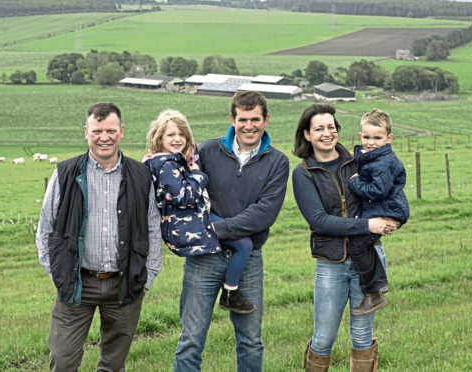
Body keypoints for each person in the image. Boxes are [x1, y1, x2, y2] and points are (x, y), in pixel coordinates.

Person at [36, 102, 162, 372]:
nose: (104, 137)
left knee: (113, 364)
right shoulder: (65, 173)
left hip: (125, 283)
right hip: (76, 283)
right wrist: (59, 274)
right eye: (97, 131)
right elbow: (45, 229)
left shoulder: (141, 175)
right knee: (62, 360)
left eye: (111, 130)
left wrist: (148, 276)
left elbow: (153, 226)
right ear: (86, 132)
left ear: (122, 131)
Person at [173, 91, 290, 371]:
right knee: (191, 339)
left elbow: (264, 213)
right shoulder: (208, 151)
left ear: (266, 120)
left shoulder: (277, 161)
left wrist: (215, 228)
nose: (249, 126)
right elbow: (190, 195)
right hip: (204, 257)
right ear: (232, 119)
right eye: (243, 119)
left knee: (251, 340)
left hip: (248, 261)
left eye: (255, 119)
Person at [292, 103, 398, 372]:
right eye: (319, 128)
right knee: (324, 337)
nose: (326, 133)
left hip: (369, 257)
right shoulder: (304, 173)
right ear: (307, 134)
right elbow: (320, 221)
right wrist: (367, 225)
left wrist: (393, 218)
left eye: (331, 127)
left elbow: (387, 190)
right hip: (331, 263)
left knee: (362, 336)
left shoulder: (359, 161)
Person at [143, 109, 257, 314]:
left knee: (240, 243)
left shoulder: (168, 161)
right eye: (171, 135)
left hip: (190, 218)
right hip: (187, 222)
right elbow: (185, 197)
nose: (178, 139)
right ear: (159, 138)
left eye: (182, 134)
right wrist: (197, 174)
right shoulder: (167, 165)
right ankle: (230, 293)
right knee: (244, 244)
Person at [347, 109, 409, 316]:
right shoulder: (371, 156)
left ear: (389, 138)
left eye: (377, 138)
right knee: (365, 242)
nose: (370, 142)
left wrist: (354, 183)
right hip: (380, 207)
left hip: (386, 209)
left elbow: (378, 191)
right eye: (366, 137)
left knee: (357, 246)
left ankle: (374, 293)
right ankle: (380, 284)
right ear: (360, 136)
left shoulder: (382, 162)